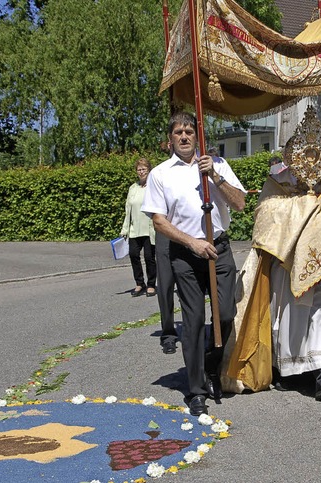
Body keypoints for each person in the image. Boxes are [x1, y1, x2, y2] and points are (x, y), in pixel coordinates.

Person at [221, 107, 321, 401]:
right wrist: (305, 209)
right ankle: (288, 370)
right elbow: (266, 218)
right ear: (293, 158)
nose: (310, 166)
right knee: (286, 319)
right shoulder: (277, 184)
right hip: (284, 267)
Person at [141, 111, 246, 416]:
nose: (184, 136)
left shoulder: (218, 165)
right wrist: (191, 242)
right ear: (170, 139)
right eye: (178, 132)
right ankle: (197, 388)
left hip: (219, 249)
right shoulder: (161, 174)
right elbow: (159, 221)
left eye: (189, 131)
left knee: (225, 313)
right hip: (186, 254)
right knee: (193, 320)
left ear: (197, 135)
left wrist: (215, 175)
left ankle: (212, 364)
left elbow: (239, 204)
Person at [120, 158, 156, 297]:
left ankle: (151, 284)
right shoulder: (132, 188)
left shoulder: (153, 186)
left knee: (149, 257)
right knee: (134, 255)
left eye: (143, 169)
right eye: (139, 169)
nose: (141, 172)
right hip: (135, 229)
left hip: (149, 228)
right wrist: (125, 229)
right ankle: (140, 283)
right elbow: (128, 210)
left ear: (149, 170)